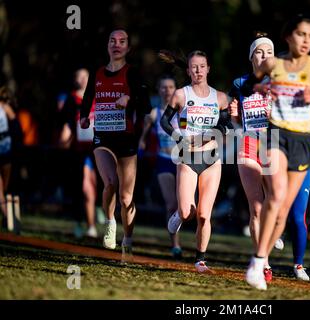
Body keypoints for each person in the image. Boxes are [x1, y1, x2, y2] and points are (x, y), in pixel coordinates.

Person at [242, 14, 310, 290]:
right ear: (288, 36)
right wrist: (261, 87)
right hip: (276, 138)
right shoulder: (273, 63)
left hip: (302, 142)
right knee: (275, 197)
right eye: (301, 34)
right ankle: (259, 262)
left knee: (285, 209)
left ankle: (264, 258)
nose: (306, 41)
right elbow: (247, 86)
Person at [229, 33, 310, 284]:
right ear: (251, 57)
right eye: (259, 52)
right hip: (250, 145)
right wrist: (233, 118)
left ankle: (290, 253)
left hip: (280, 147)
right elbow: (235, 122)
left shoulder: (286, 80)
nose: (264, 56)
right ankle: (263, 263)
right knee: (257, 207)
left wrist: (307, 138)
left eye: (269, 52)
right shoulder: (240, 84)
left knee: (284, 208)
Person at [80, 29, 150, 260]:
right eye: (112, 41)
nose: (116, 45)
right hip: (103, 137)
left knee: (126, 198)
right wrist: (84, 116)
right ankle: (110, 222)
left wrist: (129, 100)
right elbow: (89, 97)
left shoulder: (133, 73)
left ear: (128, 48)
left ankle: (127, 240)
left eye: (122, 42)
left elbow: (146, 106)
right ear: (107, 45)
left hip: (126, 139)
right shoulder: (98, 73)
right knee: (109, 182)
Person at [160, 50, 231, 273]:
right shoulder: (181, 94)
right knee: (186, 211)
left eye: (202, 66)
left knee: (203, 214)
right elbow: (164, 121)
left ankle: (200, 260)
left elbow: (225, 126)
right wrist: (179, 137)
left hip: (211, 158)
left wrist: (208, 139)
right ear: (188, 70)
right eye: (194, 67)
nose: (198, 70)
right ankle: (178, 216)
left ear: (208, 68)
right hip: (187, 156)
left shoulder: (220, 98)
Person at [138, 75, 183, 259]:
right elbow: (143, 136)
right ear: (159, 90)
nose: (167, 90)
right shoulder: (155, 113)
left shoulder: (182, 111)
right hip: (164, 160)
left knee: (188, 207)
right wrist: (140, 145)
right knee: (171, 204)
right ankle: (176, 245)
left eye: (171, 87)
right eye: (163, 87)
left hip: (183, 161)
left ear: (175, 89)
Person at [59, 68, 99, 238]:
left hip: (97, 149)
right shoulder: (71, 99)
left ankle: (93, 219)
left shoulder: (98, 98)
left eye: (85, 76)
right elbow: (66, 123)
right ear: (75, 79)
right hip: (78, 151)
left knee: (93, 186)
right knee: (83, 187)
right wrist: (65, 136)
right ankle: (84, 223)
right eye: (79, 76)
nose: (82, 79)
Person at [0, 86, 17, 227]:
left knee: (5, 187)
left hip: (5, 148)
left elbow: (15, 124)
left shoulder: (4, 107)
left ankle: (7, 217)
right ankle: (7, 216)